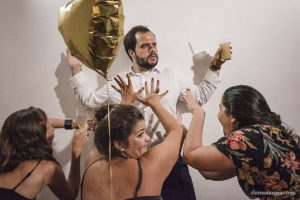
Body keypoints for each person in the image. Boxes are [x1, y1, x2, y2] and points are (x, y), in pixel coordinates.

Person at [67, 25, 230, 199]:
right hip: (135, 166)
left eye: (154, 44)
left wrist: (215, 65)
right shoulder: (120, 82)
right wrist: (76, 68)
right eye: (145, 46)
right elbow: (89, 100)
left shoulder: (170, 75)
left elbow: (201, 96)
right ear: (132, 53)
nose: (152, 49)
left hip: (171, 162)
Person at [182, 85, 300, 200]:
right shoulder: (269, 134)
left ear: (232, 116)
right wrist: (189, 138)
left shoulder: (245, 140)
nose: (218, 115)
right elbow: (209, 173)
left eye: (220, 109)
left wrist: (198, 113)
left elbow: (190, 155)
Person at [81, 79, 184, 199]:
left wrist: (125, 102)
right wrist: (154, 103)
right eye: (140, 134)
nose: (148, 138)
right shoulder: (147, 168)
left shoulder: (92, 162)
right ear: (119, 144)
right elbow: (177, 131)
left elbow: (109, 133)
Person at [0, 107, 88, 200]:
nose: (52, 127)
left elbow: (34, 124)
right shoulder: (47, 168)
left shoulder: (6, 150)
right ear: (41, 135)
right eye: (49, 125)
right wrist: (76, 151)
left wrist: (72, 123)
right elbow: (71, 195)